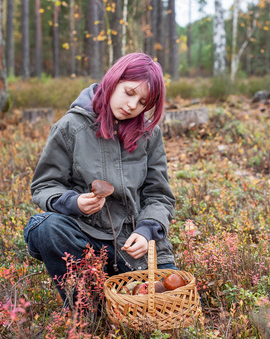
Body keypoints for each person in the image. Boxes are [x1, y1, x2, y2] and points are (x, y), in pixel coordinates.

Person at [23, 52, 176, 305]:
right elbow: (45, 185)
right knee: (45, 227)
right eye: (129, 92)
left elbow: (159, 195)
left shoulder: (150, 135)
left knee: (168, 300)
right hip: (84, 237)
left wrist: (147, 230)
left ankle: (115, 295)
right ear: (114, 79)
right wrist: (74, 202)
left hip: (133, 244)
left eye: (142, 103)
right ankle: (87, 309)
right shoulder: (70, 127)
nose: (131, 106)